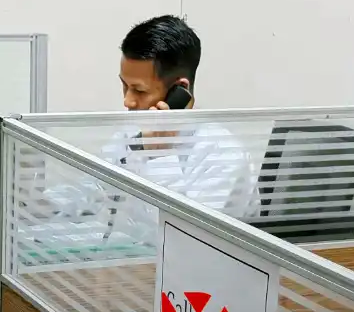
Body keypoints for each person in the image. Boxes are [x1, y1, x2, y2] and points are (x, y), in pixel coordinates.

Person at [24, 16, 253, 253]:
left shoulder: (222, 155)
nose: (127, 101)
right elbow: (94, 189)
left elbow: (185, 244)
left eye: (139, 90)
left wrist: (160, 154)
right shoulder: (134, 132)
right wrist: (38, 202)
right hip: (134, 264)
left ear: (180, 90)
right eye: (124, 85)